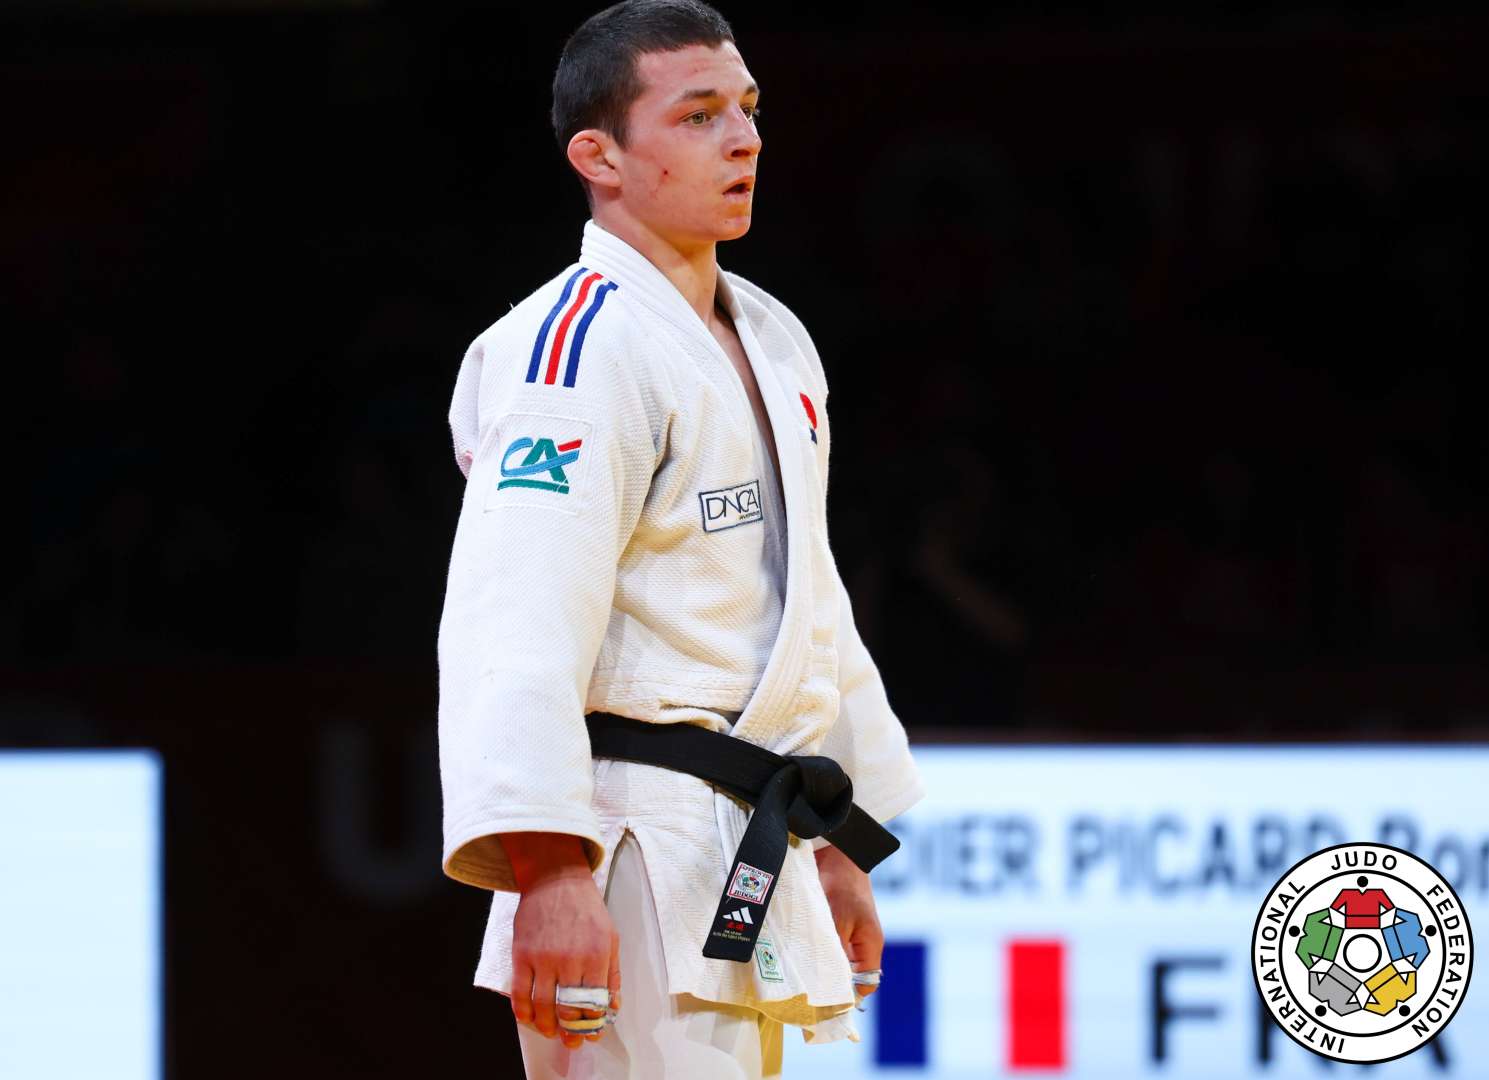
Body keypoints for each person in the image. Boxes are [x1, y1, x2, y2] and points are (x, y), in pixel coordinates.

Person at [435, 3, 924, 1076]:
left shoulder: (774, 338)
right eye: (698, 115)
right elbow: (514, 620)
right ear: (598, 156)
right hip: (624, 846)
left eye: (747, 110)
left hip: (742, 836)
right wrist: (550, 870)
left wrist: (838, 841)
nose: (743, 140)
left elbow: (808, 604)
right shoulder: (570, 351)